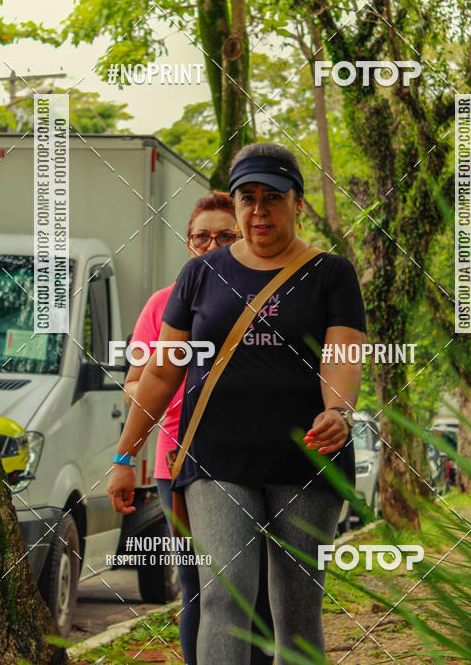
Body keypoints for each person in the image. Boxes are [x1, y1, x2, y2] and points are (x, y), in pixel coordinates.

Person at [108, 142, 366, 665]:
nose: (258, 211)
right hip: (216, 461)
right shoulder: (199, 276)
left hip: (308, 462)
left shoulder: (332, 274)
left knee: (296, 611)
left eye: (272, 197)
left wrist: (338, 411)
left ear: (297, 202)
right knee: (225, 596)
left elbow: (341, 356)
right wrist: (123, 455)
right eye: (247, 198)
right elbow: (161, 371)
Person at [123, 191, 273, 665]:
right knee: (197, 581)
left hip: (258, 456)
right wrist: (168, 389)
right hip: (179, 460)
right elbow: (136, 381)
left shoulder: (269, 296)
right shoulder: (163, 304)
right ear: (188, 244)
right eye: (200, 237)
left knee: (262, 584)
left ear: (244, 237)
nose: (210, 246)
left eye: (224, 236)